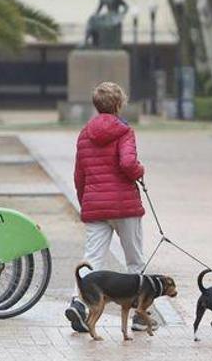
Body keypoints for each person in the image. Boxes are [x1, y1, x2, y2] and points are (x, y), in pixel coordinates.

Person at [65, 82, 156, 333]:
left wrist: (86, 202)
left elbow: (79, 174)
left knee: (92, 258)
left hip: (95, 204)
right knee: (135, 261)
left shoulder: (85, 133)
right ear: (118, 104)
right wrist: (140, 170)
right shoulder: (124, 131)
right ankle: (139, 315)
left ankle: (79, 304)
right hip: (124, 206)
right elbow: (128, 163)